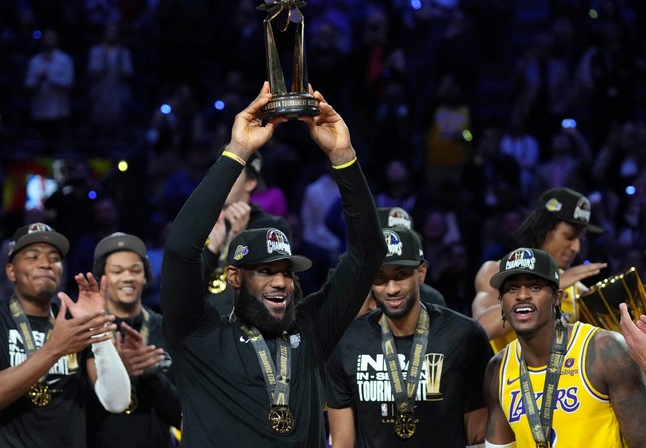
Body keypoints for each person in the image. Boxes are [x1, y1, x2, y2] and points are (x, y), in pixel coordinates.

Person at [160, 82, 387, 446]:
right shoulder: (198, 334)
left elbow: (368, 253)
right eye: (266, 271)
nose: (281, 282)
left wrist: (343, 156)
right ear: (234, 276)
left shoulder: (313, 329)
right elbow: (180, 251)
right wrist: (237, 151)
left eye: (286, 272)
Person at [0, 222, 131, 447]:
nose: (46, 264)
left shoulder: (73, 324)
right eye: (32, 257)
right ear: (11, 271)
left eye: (54, 258)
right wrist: (55, 348)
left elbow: (117, 402)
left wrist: (97, 329)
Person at [327, 226, 491, 447]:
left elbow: (478, 435)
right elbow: (342, 442)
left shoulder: (464, 335)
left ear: (421, 273)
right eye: (380, 277)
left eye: (401, 275)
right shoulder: (347, 341)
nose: (391, 288)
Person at [484, 247, 646, 447]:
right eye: (512, 288)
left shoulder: (605, 351)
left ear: (557, 297)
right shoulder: (498, 369)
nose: (522, 295)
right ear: (501, 302)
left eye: (534, 287)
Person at [472, 187, 607, 352]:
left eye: (580, 239)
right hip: (508, 376)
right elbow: (480, 329)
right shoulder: (495, 272)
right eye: (569, 236)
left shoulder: (577, 290)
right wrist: (551, 283)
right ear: (542, 229)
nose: (576, 247)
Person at [88, 232, 181, 448]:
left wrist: (150, 375)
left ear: (146, 276)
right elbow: (80, 412)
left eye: (136, 270)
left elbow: (179, 413)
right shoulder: (90, 330)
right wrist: (120, 373)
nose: (128, 277)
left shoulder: (166, 329)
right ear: (102, 277)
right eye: (117, 271)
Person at [204, 149, 291, 316]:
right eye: (219, 171)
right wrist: (209, 252)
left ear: (250, 183)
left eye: (231, 172)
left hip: (244, 328)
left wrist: (236, 240)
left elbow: (269, 288)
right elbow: (183, 289)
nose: (221, 179)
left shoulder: (272, 228)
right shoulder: (200, 222)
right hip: (200, 326)